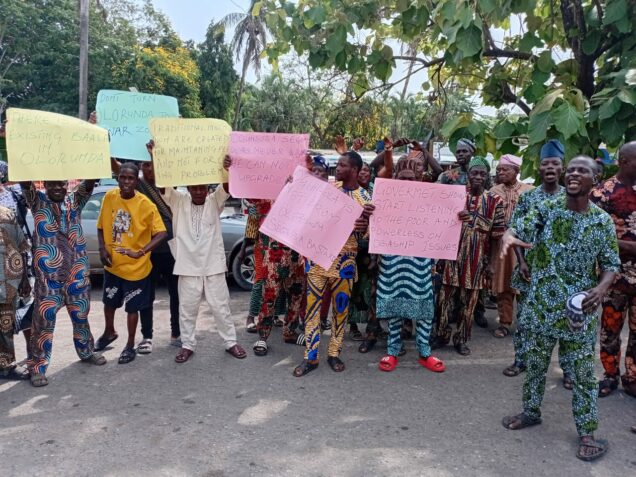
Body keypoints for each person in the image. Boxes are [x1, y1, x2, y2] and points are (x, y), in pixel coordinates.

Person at [501, 156, 619, 462]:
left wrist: (601, 288)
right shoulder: (545, 210)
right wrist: (509, 236)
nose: (574, 174)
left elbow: (611, 266)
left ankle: (588, 433)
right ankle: (530, 412)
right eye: (572, 169)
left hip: (578, 313)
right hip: (540, 306)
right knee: (535, 366)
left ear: (596, 179)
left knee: (583, 375)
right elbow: (518, 230)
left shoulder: (602, 222)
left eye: (583, 170)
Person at [293, 150, 374, 377]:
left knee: (340, 311)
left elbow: (369, 238)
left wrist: (363, 229)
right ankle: (311, 357)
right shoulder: (328, 189)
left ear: (355, 170)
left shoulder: (366, 201)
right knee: (313, 311)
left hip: (345, 264)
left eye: (342, 165)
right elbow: (306, 208)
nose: (336, 169)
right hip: (317, 260)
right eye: (337, 165)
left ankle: (334, 353)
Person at [20, 179, 106, 387]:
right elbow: (25, 182)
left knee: (81, 317)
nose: (57, 188)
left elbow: (91, 181)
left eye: (61, 184)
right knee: (43, 324)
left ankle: (86, 352)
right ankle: (37, 367)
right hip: (48, 279)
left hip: (76, 274)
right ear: (46, 186)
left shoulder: (75, 200)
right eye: (52, 184)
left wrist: (99, 153)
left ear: (67, 185)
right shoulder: (37, 202)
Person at [160, 157, 246, 363]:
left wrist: (226, 169)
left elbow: (225, 186)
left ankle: (230, 342)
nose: (198, 191)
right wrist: (158, 157)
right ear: (188, 188)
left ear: (208, 189)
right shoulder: (178, 202)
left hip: (213, 265)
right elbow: (163, 186)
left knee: (221, 307)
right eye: (194, 188)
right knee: (187, 309)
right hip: (187, 266)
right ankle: (187, 344)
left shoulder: (214, 201)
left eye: (202, 188)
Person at [502, 140, 572, 389]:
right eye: (545, 163)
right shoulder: (528, 198)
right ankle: (521, 360)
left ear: (562, 168)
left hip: (563, 273)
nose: (550, 167)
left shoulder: (570, 198)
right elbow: (517, 231)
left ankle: (569, 369)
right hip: (530, 269)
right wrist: (521, 261)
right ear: (539, 168)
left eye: (555, 163)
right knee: (526, 318)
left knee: (566, 321)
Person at [108, 140, 180, 353]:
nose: (150, 168)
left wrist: (159, 154)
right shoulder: (137, 184)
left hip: (172, 250)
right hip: (147, 252)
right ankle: (146, 336)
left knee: (176, 294)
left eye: (153, 164)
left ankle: (176, 332)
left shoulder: (170, 184)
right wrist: (107, 143)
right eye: (146, 165)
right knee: (146, 296)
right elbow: (117, 168)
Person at [95, 163, 168, 364]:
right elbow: (101, 225)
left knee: (132, 308)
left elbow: (162, 233)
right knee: (108, 303)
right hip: (113, 265)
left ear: (137, 181)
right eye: (123, 177)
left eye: (130, 178)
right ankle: (109, 332)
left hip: (137, 269)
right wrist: (102, 248)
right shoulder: (110, 197)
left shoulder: (146, 204)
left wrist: (141, 251)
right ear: (118, 178)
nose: (126, 182)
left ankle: (129, 345)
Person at [377, 157, 444, 373]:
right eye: (403, 177)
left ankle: (424, 353)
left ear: (419, 179)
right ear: (396, 178)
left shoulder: (430, 203)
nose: (407, 182)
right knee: (396, 306)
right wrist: (370, 213)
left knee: (424, 305)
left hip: (420, 261)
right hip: (393, 261)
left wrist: (457, 218)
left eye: (412, 178)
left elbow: (444, 223)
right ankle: (392, 350)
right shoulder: (385, 200)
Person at [434, 157, 505, 355]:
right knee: (444, 300)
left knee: (469, 304)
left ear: (487, 176)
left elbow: (497, 236)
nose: (478, 177)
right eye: (475, 173)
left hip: (477, 261)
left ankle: (461, 339)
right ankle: (441, 334)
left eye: (483, 174)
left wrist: (492, 264)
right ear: (469, 174)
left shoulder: (494, 201)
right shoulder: (456, 196)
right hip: (450, 258)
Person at [591, 141, 636, 398]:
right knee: (610, 329)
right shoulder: (602, 194)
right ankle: (610, 375)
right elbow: (594, 234)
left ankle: (632, 375)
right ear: (625, 162)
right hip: (613, 277)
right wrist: (628, 247)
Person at [489, 154, 533, 337]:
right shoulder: (493, 192)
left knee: (525, 284)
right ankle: (505, 323)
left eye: (505, 169)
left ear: (517, 171)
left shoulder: (530, 191)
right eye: (498, 169)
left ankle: (525, 323)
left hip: (524, 244)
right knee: (504, 284)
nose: (501, 172)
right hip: (502, 246)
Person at [0, 206, 31, 380]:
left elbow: (21, 247)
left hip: (8, 282)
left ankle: (6, 367)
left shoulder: (7, 213)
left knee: (6, 327)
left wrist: (25, 279)